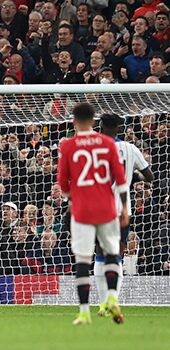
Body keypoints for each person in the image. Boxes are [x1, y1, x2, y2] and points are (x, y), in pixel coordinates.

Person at [57, 103, 128, 325]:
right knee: (111, 254)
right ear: (94, 121)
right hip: (107, 208)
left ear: (74, 122)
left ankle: (84, 311)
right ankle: (113, 299)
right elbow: (121, 179)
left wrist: (72, 197)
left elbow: (62, 182)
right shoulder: (108, 143)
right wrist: (124, 208)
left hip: (82, 209)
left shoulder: (68, 146)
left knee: (83, 259)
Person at [94, 113, 154, 316]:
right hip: (122, 209)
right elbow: (150, 176)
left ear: (100, 127)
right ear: (119, 128)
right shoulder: (130, 149)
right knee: (117, 254)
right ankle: (113, 300)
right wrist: (134, 175)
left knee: (100, 254)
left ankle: (102, 304)